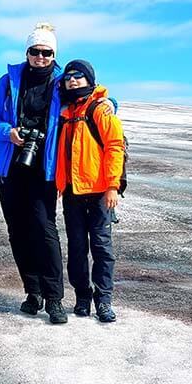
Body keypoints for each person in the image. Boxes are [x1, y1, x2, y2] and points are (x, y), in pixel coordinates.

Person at [0, 23, 70, 324]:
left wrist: (109, 104)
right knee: (17, 230)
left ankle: (55, 298)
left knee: (44, 230)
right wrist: (10, 132)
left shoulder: (62, 83)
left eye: (46, 53)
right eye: (35, 51)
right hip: (10, 166)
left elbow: (93, 98)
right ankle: (33, 292)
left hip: (43, 167)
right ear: (27, 52)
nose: (40, 57)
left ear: (53, 54)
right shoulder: (8, 81)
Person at [55, 59, 125, 322]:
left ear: (89, 80)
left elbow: (115, 147)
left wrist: (112, 186)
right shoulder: (65, 111)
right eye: (68, 77)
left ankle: (104, 300)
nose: (72, 81)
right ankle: (83, 297)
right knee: (76, 248)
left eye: (78, 76)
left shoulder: (100, 109)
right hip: (72, 192)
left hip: (98, 193)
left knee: (102, 248)